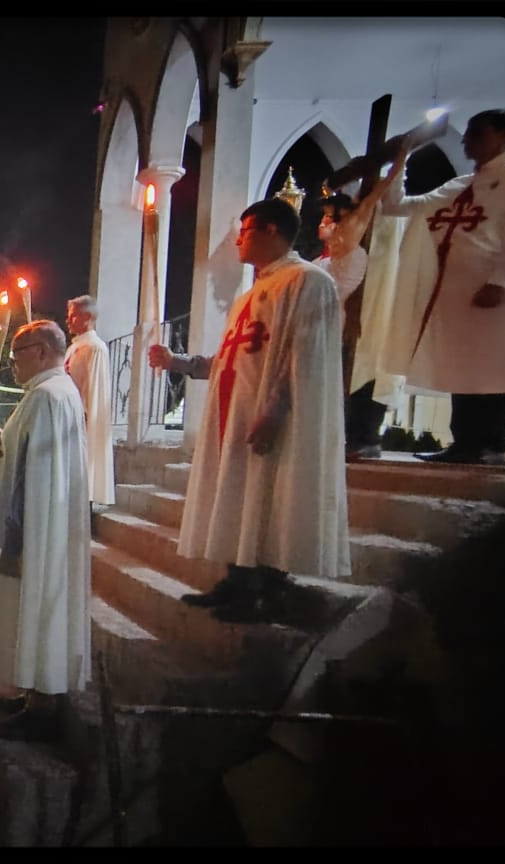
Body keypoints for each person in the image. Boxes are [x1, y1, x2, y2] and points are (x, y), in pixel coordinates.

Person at [149, 197, 351, 622]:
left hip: (273, 414)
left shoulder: (308, 282)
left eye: (244, 231)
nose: (238, 240)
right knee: (240, 495)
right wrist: (177, 362)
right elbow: (228, 359)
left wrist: (276, 409)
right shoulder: (250, 295)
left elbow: (306, 357)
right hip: (235, 410)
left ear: (271, 230)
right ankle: (237, 580)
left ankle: (267, 590)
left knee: (270, 497)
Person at [0, 321, 92, 742]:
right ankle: (35, 694)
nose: (12, 365)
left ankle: (43, 706)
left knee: (35, 609)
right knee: (30, 610)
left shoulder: (48, 397)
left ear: (41, 351)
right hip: (41, 529)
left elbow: (31, 478)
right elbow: (33, 459)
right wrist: (3, 439)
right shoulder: (56, 393)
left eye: (17, 355)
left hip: (33, 533)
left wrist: (14, 540)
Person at [377, 109, 505, 465]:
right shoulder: (460, 186)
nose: (466, 141)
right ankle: (465, 443)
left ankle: (492, 445)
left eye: (476, 134)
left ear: (504, 134)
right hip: (454, 295)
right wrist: (399, 161)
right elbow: (396, 207)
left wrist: (499, 281)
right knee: (462, 368)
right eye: (467, 133)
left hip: (499, 297)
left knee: (495, 369)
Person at [316, 170, 400, 461]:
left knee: (364, 370)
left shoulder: (357, 241)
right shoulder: (328, 258)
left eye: (330, 216)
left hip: (356, 315)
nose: (324, 222)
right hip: (331, 321)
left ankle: (363, 436)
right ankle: (339, 435)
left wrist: (398, 164)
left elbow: (374, 198)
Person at [64, 295, 116, 506]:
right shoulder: (74, 347)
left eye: (73, 316)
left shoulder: (95, 348)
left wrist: (84, 416)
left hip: (81, 421)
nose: (68, 321)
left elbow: (92, 390)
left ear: (87, 317)